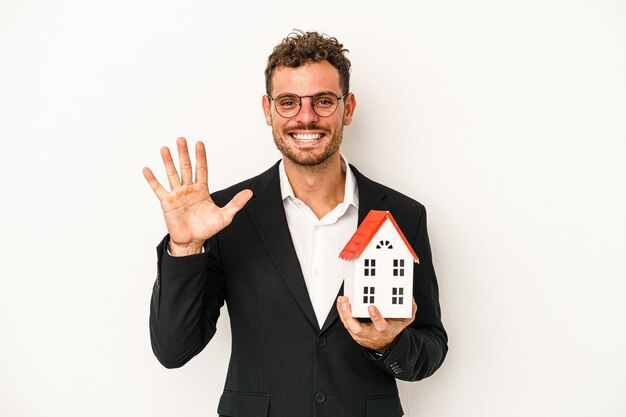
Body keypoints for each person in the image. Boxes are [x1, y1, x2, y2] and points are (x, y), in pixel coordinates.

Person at [143, 30, 447, 417]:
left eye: (323, 101)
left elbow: (431, 348)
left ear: (347, 108)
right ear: (268, 110)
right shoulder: (224, 216)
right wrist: (185, 248)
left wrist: (387, 343)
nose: (306, 117)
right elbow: (173, 350)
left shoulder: (404, 215)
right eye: (289, 102)